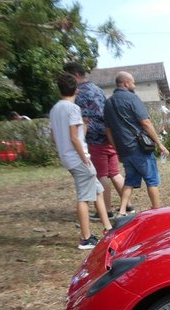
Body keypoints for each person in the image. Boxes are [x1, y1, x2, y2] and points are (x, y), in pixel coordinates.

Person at [48, 73, 112, 250]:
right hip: (79, 158)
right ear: (76, 89)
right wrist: (85, 159)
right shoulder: (73, 109)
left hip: (68, 158)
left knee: (97, 189)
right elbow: (75, 139)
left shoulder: (54, 109)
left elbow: (55, 137)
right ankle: (85, 238)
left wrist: (81, 129)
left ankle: (108, 228)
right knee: (84, 197)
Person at [63, 62, 126, 219]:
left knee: (102, 175)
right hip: (109, 135)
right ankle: (127, 205)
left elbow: (83, 120)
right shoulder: (97, 89)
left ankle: (106, 210)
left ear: (75, 76)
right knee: (115, 173)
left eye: (68, 76)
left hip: (94, 139)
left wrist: (79, 140)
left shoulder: (78, 94)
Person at [103, 71, 168, 215]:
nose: (135, 85)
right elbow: (145, 122)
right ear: (126, 83)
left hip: (124, 149)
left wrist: (117, 149)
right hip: (139, 148)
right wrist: (159, 143)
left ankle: (122, 211)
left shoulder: (108, 103)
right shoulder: (132, 98)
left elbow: (108, 131)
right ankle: (157, 210)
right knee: (151, 180)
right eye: (133, 82)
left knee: (130, 181)